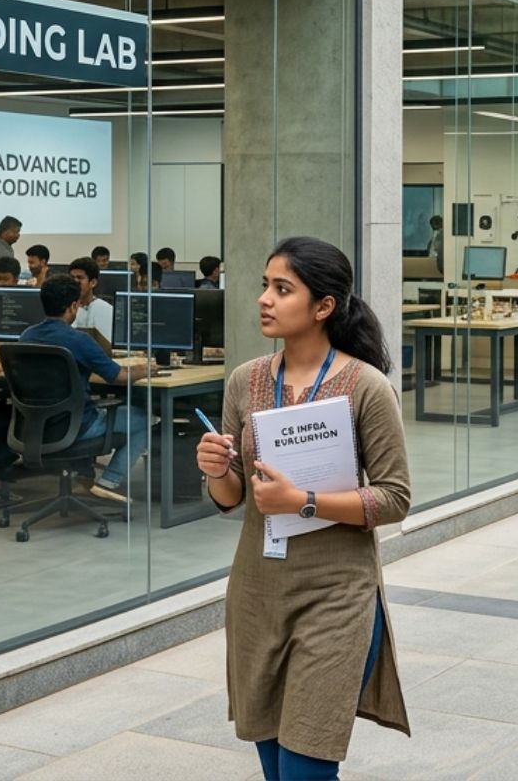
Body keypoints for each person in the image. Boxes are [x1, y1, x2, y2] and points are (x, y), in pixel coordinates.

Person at [197, 236, 411, 778]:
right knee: (272, 764)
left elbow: (394, 497)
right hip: (256, 591)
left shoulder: (366, 387)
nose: (265, 299)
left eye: (282, 289)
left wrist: (304, 502)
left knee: (305, 767)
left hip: (336, 594)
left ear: (324, 307)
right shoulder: (244, 381)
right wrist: (217, 470)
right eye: (265, 286)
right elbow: (232, 499)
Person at [19, 274, 152, 502]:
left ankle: (84, 477)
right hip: (76, 427)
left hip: (35, 426)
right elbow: (118, 376)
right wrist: (146, 368)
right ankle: (107, 482)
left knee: (87, 407)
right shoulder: (79, 340)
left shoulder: (26, 336)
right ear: (73, 306)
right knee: (143, 418)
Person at [69, 257, 114, 345]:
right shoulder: (64, 307)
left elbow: (106, 345)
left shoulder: (105, 309)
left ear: (93, 282)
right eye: (72, 278)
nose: (75, 282)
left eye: (80, 278)